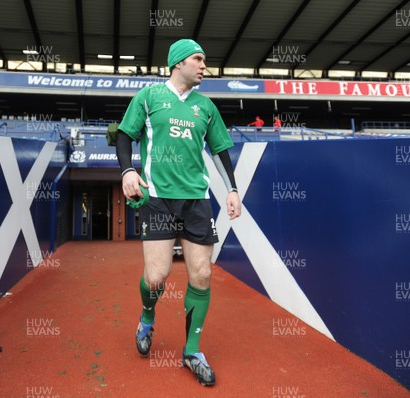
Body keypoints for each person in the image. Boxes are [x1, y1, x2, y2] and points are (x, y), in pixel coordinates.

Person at [116, 39, 241, 387]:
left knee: (201, 275)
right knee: (157, 278)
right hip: (158, 199)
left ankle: (192, 350)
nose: (204, 66)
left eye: (204, 59)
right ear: (177, 63)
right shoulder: (149, 97)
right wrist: (128, 171)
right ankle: (147, 315)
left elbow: (219, 151)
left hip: (197, 201)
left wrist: (231, 190)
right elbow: (125, 136)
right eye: (198, 59)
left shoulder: (207, 107)